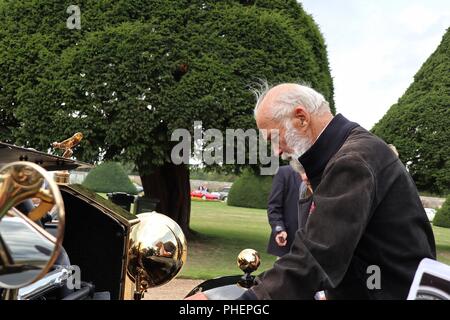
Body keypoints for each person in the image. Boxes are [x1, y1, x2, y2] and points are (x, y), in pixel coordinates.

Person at [188, 82, 436, 300]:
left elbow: (316, 255)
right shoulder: (344, 155)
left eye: (275, 138)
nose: (277, 152)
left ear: (301, 118)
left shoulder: (353, 160)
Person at [267, 165, 304, 258]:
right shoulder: (284, 173)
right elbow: (274, 207)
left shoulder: (323, 172)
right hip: (288, 245)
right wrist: (279, 230)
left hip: (314, 248)